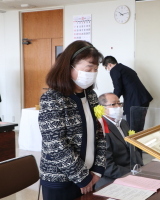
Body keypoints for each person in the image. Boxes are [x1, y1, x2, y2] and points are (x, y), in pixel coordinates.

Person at [38, 40, 106, 200]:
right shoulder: (52, 98)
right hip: (61, 180)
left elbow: (100, 133)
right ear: (69, 66)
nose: (92, 73)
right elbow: (56, 144)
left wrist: (97, 170)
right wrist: (82, 177)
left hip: (90, 176)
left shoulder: (91, 96)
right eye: (88, 68)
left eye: (96, 69)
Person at [94, 92, 143, 189]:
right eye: (113, 104)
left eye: (119, 103)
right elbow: (107, 166)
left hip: (132, 173)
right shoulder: (101, 127)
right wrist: (131, 174)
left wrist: (141, 169)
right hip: (112, 179)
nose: (118, 106)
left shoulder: (123, 123)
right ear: (102, 108)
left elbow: (133, 149)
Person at [102, 56, 153, 132]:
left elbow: (118, 89)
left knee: (131, 127)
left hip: (135, 101)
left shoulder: (114, 70)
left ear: (109, 65)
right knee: (139, 126)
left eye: (106, 68)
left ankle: (132, 143)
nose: (107, 70)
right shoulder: (125, 68)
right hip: (143, 99)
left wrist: (111, 103)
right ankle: (137, 142)